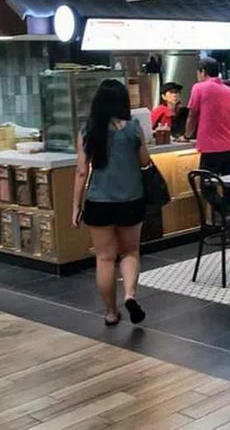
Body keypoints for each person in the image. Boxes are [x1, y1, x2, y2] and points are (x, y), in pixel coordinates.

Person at [72, 79, 149, 327]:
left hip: (99, 201)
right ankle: (130, 295)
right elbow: (144, 161)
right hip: (131, 199)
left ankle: (111, 313)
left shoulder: (88, 130)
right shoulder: (134, 127)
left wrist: (76, 206)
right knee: (130, 251)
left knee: (105, 258)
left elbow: (81, 172)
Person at [185, 57, 230, 210]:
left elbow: (192, 115)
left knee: (207, 188)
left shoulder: (199, 88)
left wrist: (187, 135)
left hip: (211, 149)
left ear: (203, 72)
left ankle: (225, 214)